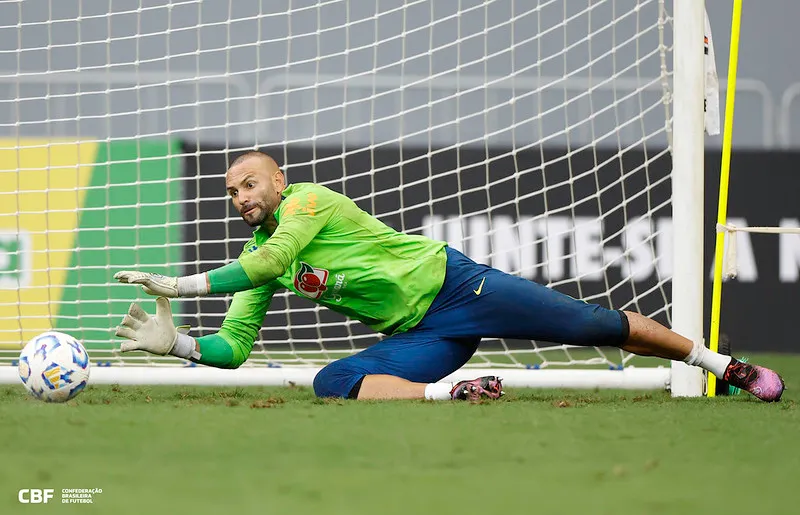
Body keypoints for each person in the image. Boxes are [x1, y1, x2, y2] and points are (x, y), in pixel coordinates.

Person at [113, 151, 785, 402]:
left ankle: (719, 363)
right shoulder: (260, 255)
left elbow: (262, 261)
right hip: (422, 332)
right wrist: (178, 343)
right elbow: (234, 350)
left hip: (458, 286)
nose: (241, 196)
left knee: (589, 324)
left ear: (279, 181)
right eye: (232, 191)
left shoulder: (307, 204)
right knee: (329, 380)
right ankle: (453, 391)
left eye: (249, 183)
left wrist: (179, 287)